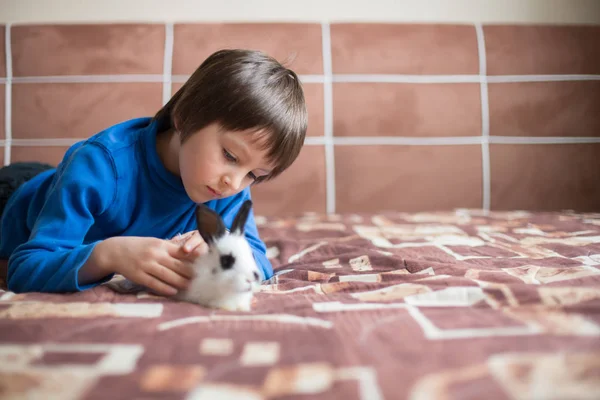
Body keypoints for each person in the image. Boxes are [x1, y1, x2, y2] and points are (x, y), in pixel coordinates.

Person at [0, 49, 307, 295]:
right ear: (185, 117)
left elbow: (259, 259)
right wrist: (109, 255)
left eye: (255, 174)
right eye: (229, 155)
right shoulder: (99, 166)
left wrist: (225, 245)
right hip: (12, 195)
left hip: (56, 183)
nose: (236, 182)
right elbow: (24, 269)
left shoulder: (229, 185)